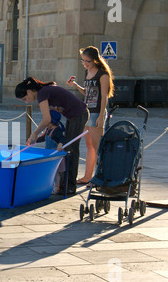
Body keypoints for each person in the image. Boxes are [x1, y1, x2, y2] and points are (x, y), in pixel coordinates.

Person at [15, 77, 89, 195]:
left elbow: (47, 119)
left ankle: (70, 186)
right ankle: (65, 184)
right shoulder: (43, 91)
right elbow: (49, 121)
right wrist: (38, 136)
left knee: (71, 149)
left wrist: (34, 133)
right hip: (73, 116)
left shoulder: (42, 93)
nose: (27, 101)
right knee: (67, 147)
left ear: (29, 91)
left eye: (25, 98)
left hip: (79, 114)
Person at [67, 46, 115, 185]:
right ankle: (88, 177)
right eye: (83, 60)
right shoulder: (87, 72)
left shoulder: (103, 74)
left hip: (96, 113)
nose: (85, 63)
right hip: (86, 111)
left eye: (87, 61)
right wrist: (75, 85)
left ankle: (100, 177)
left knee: (97, 146)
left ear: (95, 59)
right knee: (89, 146)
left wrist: (101, 116)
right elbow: (87, 93)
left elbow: (104, 97)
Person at [36, 110, 67, 194]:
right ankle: (50, 185)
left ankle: (57, 187)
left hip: (55, 154)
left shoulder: (57, 130)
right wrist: (34, 140)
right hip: (49, 154)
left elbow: (62, 138)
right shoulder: (48, 129)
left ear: (51, 121)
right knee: (50, 171)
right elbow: (42, 138)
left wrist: (60, 144)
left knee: (56, 172)